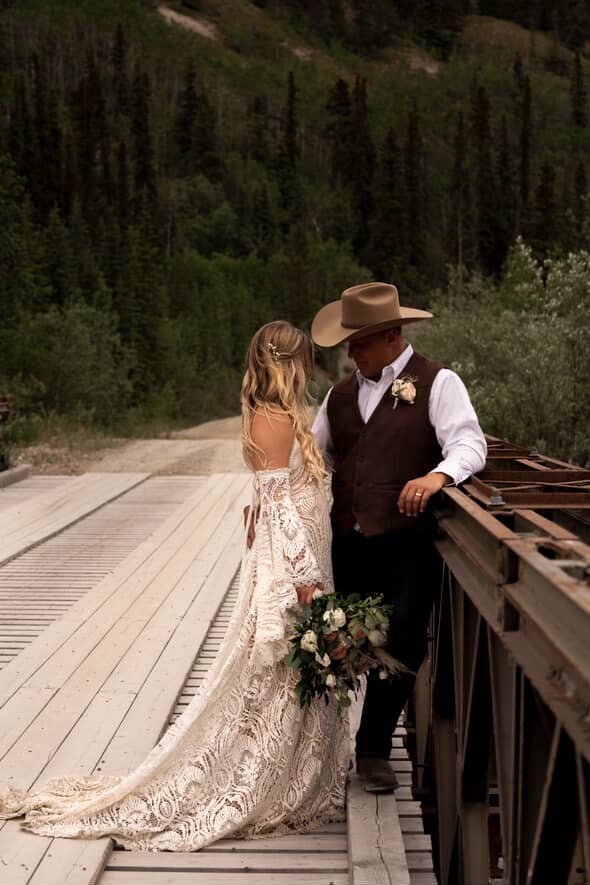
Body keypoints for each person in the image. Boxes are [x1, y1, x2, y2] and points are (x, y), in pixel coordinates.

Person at [0, 321, 349, 850]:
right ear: (291, 363)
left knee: (287, 670)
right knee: (277, 668)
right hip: (291, 563)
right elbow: (278, 500)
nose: (307, 372)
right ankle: (262, 778)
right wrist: (304, 579)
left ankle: (290, 767)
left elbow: (267, 493)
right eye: (303, 362)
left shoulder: (272, 414)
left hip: (294, 547)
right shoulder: (276, 417)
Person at [311, 282, 487, 793]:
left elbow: (469, 443)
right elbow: (315, 457)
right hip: (347, 541)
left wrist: (438, 476)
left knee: (404, 639)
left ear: (391, 336)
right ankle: (320, 753)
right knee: (337, 642)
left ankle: (372, 750)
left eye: (359, 342)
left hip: (408, 543)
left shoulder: (438, 382)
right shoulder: (338, 395)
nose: (350, 352)